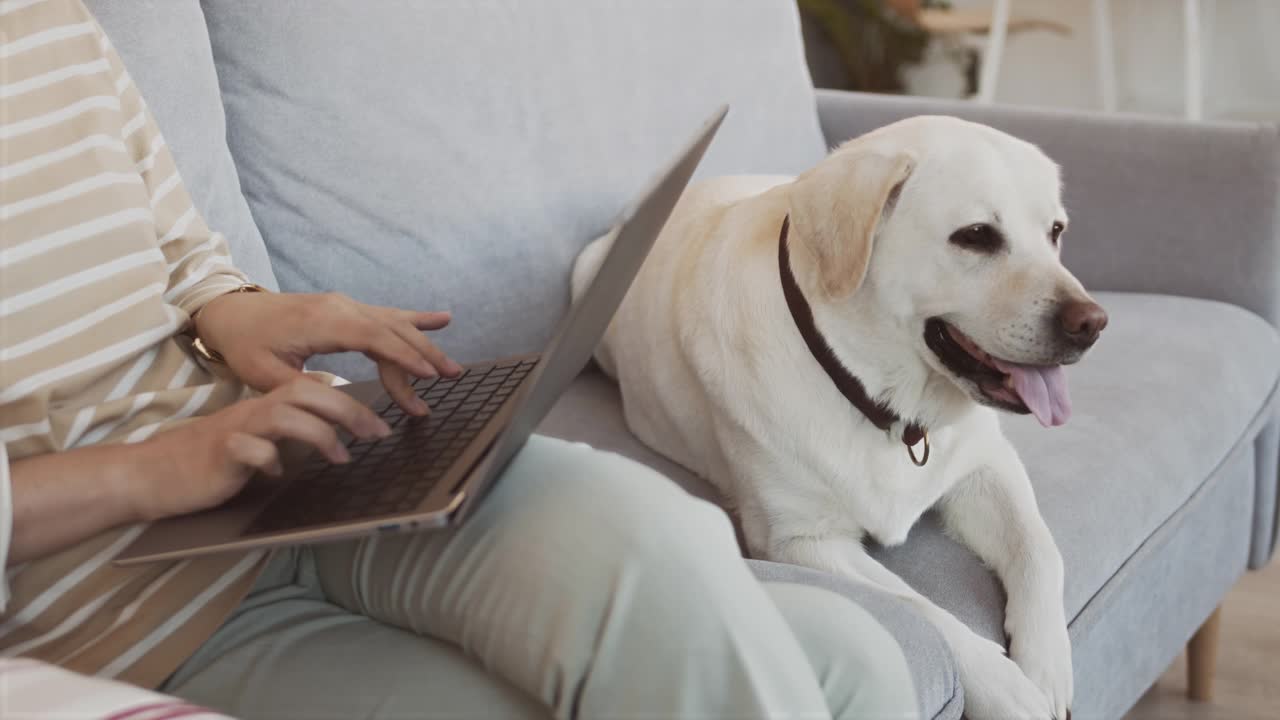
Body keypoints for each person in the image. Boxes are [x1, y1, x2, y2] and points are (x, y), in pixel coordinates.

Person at [0, 2, 918, 718]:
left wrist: (240, 313)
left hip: (301, 472)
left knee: (849, 649)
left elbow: (182, 250)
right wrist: (155, 473)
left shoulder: (52, 22)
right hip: (131, 611)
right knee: (830, 680)